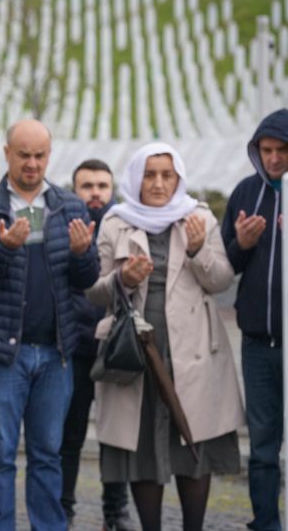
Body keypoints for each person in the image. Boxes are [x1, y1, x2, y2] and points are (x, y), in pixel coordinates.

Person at [87, 142, 244, 531]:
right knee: (143, 447)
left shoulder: (199, 219)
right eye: (150, 175)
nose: (158, 183)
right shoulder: (115, 221)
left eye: (166, 175)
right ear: (137, 178)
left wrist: (197, 251)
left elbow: (222, 280)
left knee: (194, 445)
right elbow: (94, 291)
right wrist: (123, 279)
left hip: (193, 353)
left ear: (178, 179)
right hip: (137, 352)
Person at [0, 119, 99, 530]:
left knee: (48, 454)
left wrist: (81, 254)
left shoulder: (68, 205)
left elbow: (86, 280)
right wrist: (4, 248)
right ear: (7, 153)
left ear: (49, 156)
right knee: (0, 455)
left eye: (40, 155)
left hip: (56, 354)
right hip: (4, 354)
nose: (33, 164)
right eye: (24, 155)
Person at [221, 108, 288, 531]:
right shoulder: (246, 192)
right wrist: (242, 243)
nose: (274, 158)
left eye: (283, 150)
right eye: (266, 150)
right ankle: (265, 521)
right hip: (259, 342)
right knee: (263, 444)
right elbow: (226, 264)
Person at [58, 159, 131, 530]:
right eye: (87, 186)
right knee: (69, 437)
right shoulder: (62, 226)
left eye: (102, 185)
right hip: (74, 347)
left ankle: (115, 511)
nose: (96, 193)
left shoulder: (126, 226)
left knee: (115, 436)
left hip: (115, 347)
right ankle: (64, 508)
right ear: (75, 190)